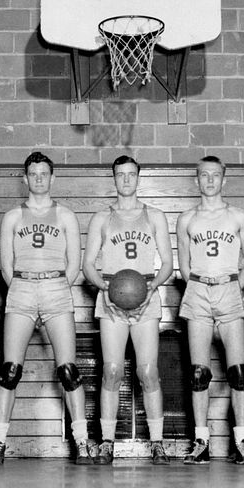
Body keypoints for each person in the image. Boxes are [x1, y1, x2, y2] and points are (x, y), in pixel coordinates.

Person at [0, 152, 93, 465]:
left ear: (53, 177)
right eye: (33, 174)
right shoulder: (12, 217)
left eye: (44, 173)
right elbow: (6, 266)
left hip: (56, 289)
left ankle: (82, 441)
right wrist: (23, 285)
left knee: (69, 371)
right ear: (25, 178)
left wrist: (57, 285)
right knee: (9, 371)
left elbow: (74, 263)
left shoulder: (66, 216)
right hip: (21, 289)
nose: (38, 179)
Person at [83, 156, 175, 465]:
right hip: (111, 296)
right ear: (114, 179)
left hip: (146, 295)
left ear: (139, 178)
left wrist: (152, 289)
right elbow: (87, 266)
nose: (126, 180)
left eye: (131, 174)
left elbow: (168, 265)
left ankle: (157, 442)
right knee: (110, 371)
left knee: (148, 372)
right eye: (120, 175)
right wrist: (104, 290)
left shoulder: (155, 216)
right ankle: (107, 441)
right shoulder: (101, 218)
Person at [176, 155, 244, 465]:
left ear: (224, 180)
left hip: (229, 288)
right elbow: (184, 264)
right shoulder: (187, 219)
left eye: (215, 175)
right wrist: (199, 285)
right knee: (199, 373)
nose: (210, 180)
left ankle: (242, 442)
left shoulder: (238, 216)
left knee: (238, 372)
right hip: (198, 289)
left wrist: (234, 287)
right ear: (196, 180)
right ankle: (201, 441)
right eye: (204, 175)